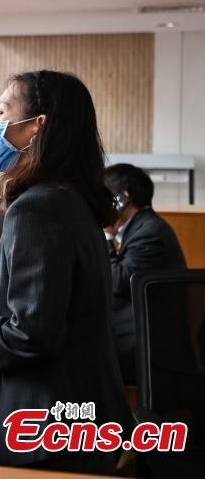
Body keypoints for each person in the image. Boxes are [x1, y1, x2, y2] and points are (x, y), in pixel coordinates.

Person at [0, 70, 132, 474]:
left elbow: (33, 332)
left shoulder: (39, 208)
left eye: (2, 112)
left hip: (52, 427)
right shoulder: (71, 197)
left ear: (36, 126)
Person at [103, 163, 186, 383]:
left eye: (104, 194)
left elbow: (118, 281)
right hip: (138, 336)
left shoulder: (149, 232)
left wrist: (106, 236)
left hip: (146, 346)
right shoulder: (142, 227)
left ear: (123, 197)